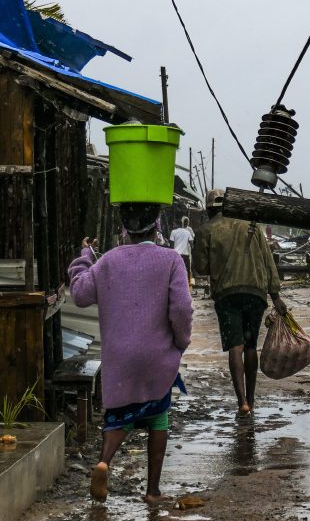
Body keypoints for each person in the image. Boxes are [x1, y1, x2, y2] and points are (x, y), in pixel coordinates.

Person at [68, 203, 192, 504]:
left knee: (118, 418)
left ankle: (103, 462)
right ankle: (152, 491)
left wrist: (84, 259)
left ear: (124, 229)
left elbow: (80, 294)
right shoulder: (171, 260)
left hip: (119, 359)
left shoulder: (108, 261)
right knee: (159, 416)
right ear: (157, 225)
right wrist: (180, 342)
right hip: (157, 356)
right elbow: (182, 309)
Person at [193, 189, 286, 418]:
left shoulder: (206, 230)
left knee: (235, 346)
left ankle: (242, 403)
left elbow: (200, 268)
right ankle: (252, 401)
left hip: (227, 295)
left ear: (208, 209)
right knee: (250, 345)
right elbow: (268, 262)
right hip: (255, 293)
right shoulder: (252, 226)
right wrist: (276, 297)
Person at [170, 217, 195, 288]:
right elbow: (191, 244)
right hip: (185, 255)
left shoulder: (173, 232)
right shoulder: (187, 232)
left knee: (175, 270)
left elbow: (171, 245)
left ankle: (175, 285)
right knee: (187, 270)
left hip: (176, 254)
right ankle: (186, 286)